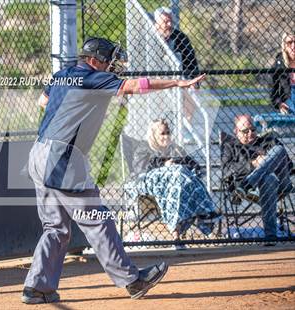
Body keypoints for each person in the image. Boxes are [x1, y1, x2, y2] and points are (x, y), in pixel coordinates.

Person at [21, 37, 205, 304]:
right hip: (63, 157)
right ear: (93, 61)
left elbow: (42, 101)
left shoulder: (63, 75)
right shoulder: (94, 77)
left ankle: (36, 287)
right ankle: (132, 280)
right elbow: (137, 86)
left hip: (39, 153)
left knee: (55, 228)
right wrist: (177, 83)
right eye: (108, 60)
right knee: (98, 219)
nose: (111, 65)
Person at [125, 119, 220, 247]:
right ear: (153, 134)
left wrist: (178, 164)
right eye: (162, 133)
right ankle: (204, 221)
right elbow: (141, 172)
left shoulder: (176, 149)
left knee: (183, 175)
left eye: (168, 132)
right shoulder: (144, 148)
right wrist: (164, 166)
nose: (166, 136)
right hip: (150, 186)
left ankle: (177, 233)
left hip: (177, 188)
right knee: (178, 172)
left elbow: (196, 167)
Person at [221, 114, 293, 239]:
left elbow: (289, 166)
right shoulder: (230, 146)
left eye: (253, 130)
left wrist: (267, 162)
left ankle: (248, 183)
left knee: (279, 150)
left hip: (280, 184)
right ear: (236, 131)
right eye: (245, 131)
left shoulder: (268, 141)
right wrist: (252, 164)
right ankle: (270, 236)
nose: (250, 133)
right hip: (255, 189)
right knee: (268, 178)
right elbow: (226, 170)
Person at [153, 7, 200, 141]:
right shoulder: (151, 37)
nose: (169, 25)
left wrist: (194, 80)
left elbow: (191, 60)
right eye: (165, 22)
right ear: (156, 24)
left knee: (191, 99)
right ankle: (161, 133)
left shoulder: (180, 37)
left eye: (170, 21)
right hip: (157, 79)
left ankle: (183, 130)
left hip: (179, 79)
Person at [271, 33, 295, 114]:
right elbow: (273, 91)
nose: (293, 46)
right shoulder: (279, 64)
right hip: (289, 103)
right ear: (284, 45)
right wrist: (280, 104)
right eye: (289, 42)